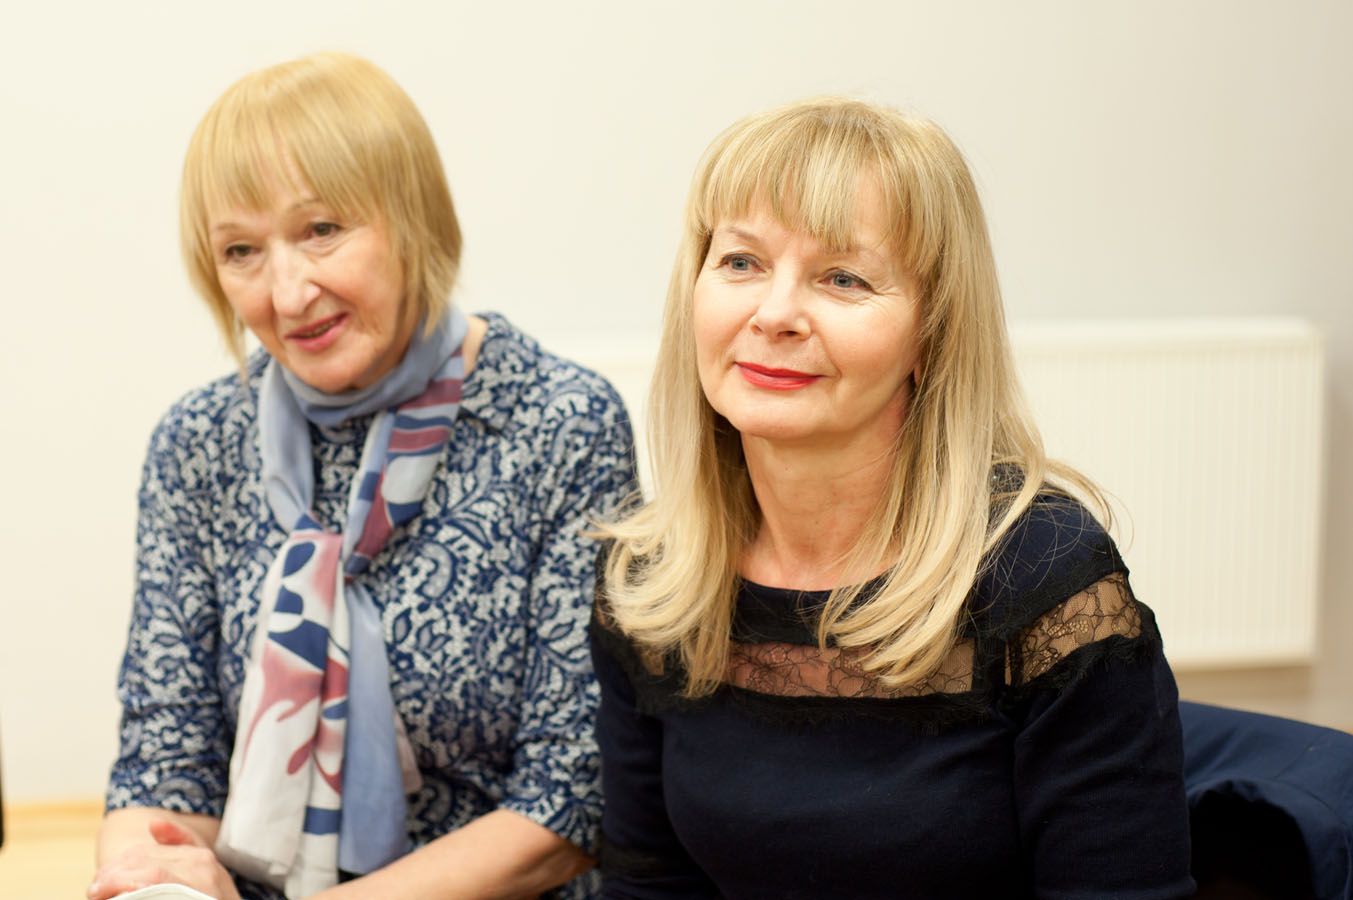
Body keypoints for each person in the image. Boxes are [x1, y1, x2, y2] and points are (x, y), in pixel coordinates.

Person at [591, 98, 1195, 898]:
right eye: (740, 262)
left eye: (842, 278)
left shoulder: (1042, 575)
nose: (774, 314)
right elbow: (650, 884)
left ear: (931, 331)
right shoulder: (650, 577)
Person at [91, 53, 635, 900]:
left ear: (413, 217)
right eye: (241, 250)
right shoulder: (198, 443)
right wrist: (152, 879)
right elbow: (165, 764)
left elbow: (568, 807)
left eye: (321, 230)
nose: (287, 293)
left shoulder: (559, 422)